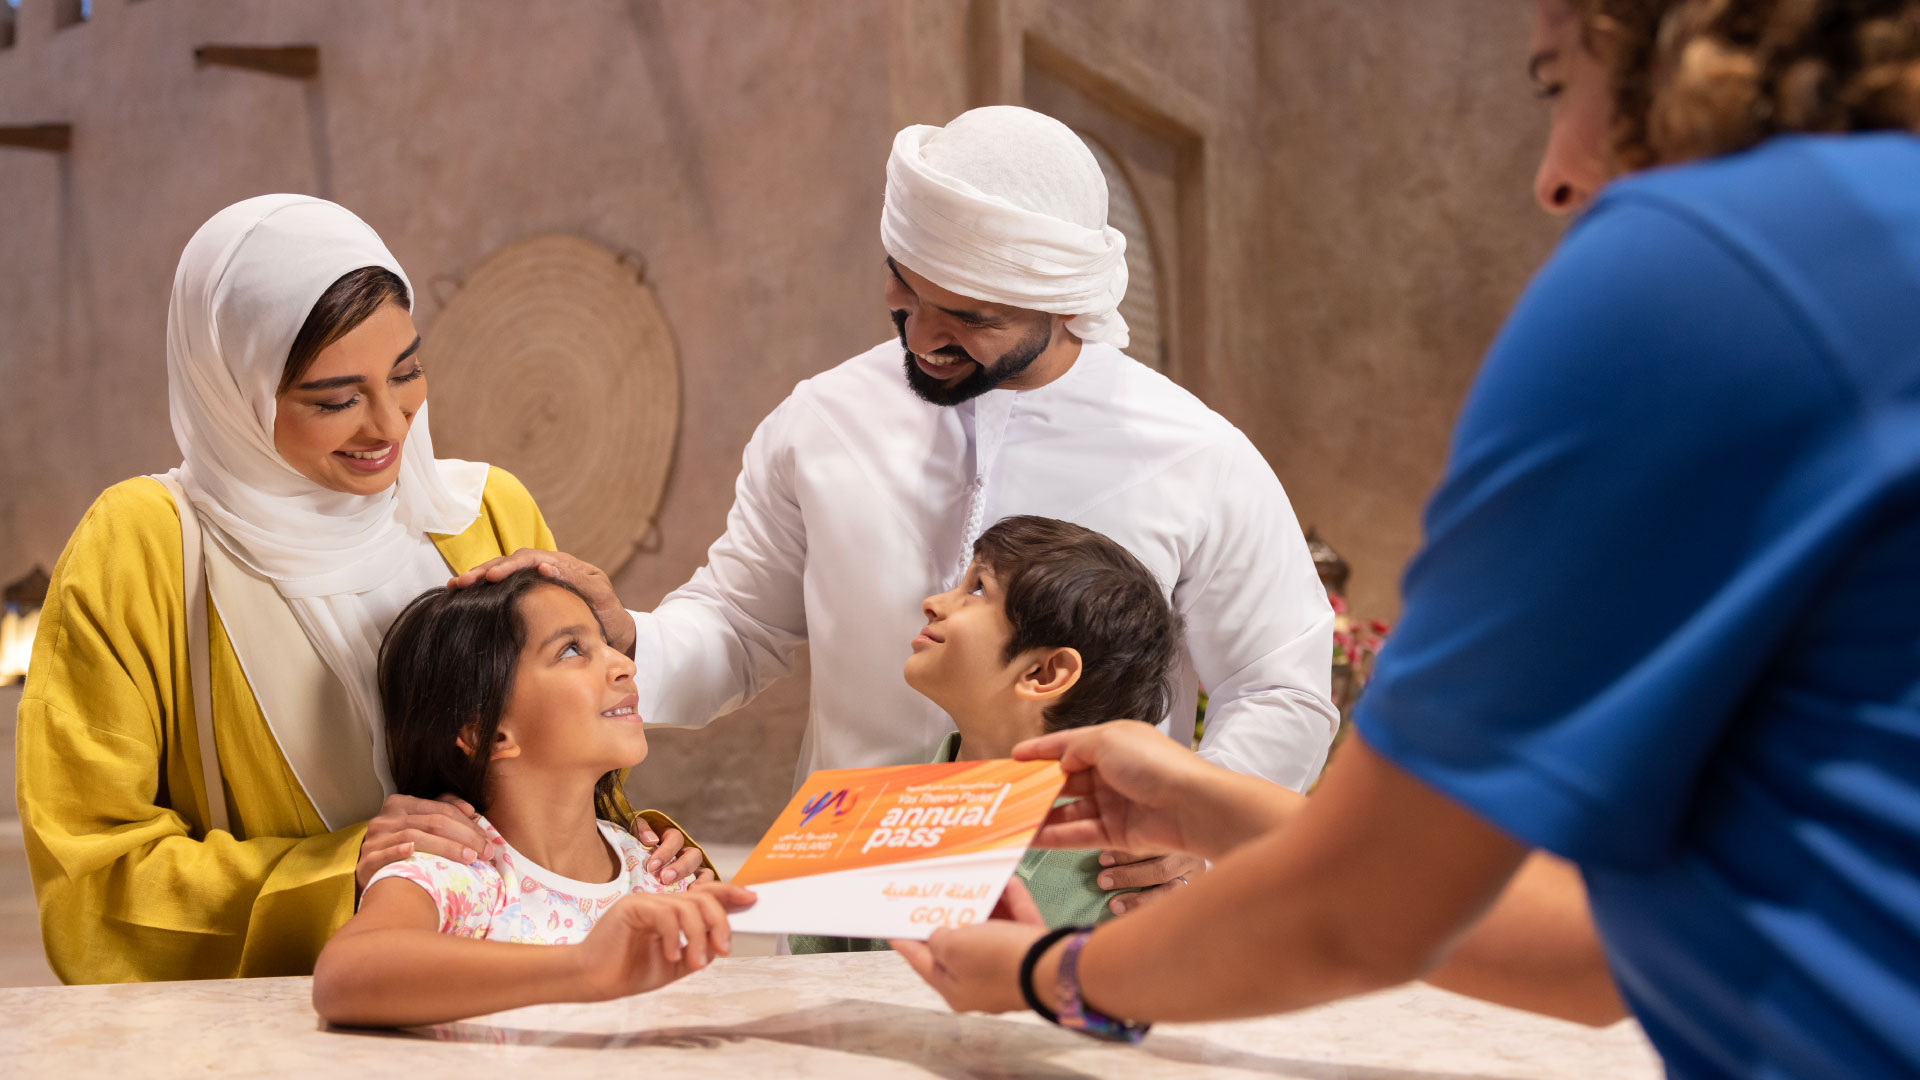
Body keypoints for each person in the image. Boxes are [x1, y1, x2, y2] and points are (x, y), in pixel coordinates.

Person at [892, 2, 1920, 1075]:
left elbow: (1373, 905)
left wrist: (1049, 974)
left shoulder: (1696, 263)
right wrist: (1213, 809)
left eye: (1554, 85)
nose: (1555, 178)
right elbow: (1589, 946)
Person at [461, 105, 1339, 908]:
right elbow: (739, 630)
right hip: (848, 884)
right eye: (903, 294)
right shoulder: (822, 420)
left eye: (967, 315)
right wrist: (629, 641)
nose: (923, 336)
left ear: (1065, 299)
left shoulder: (1195, 452)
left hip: (1086, 900)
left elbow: (1277, 689)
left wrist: (1196, 828)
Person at [13, 195, 705, 983]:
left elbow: (555, 753)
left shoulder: (480, 514)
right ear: (233, 389)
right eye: (336, 400)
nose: (390, 425)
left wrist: (637, 851)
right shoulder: (147, 548)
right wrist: (343, 871)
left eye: (406, 371)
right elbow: (93, 876)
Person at [311, 571, 754, 1027]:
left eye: (606, 643)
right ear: (488, 733)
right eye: (571, 650)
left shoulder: (656, 872)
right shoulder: (459, 874)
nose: (626, 664)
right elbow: (343, 976)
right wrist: (583, 967)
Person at [793, 515, 1184, 954]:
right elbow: (813, 984)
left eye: (977, 589)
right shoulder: (865, 820)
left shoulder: (1127, 872)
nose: (933, 602)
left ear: (1043, 672)